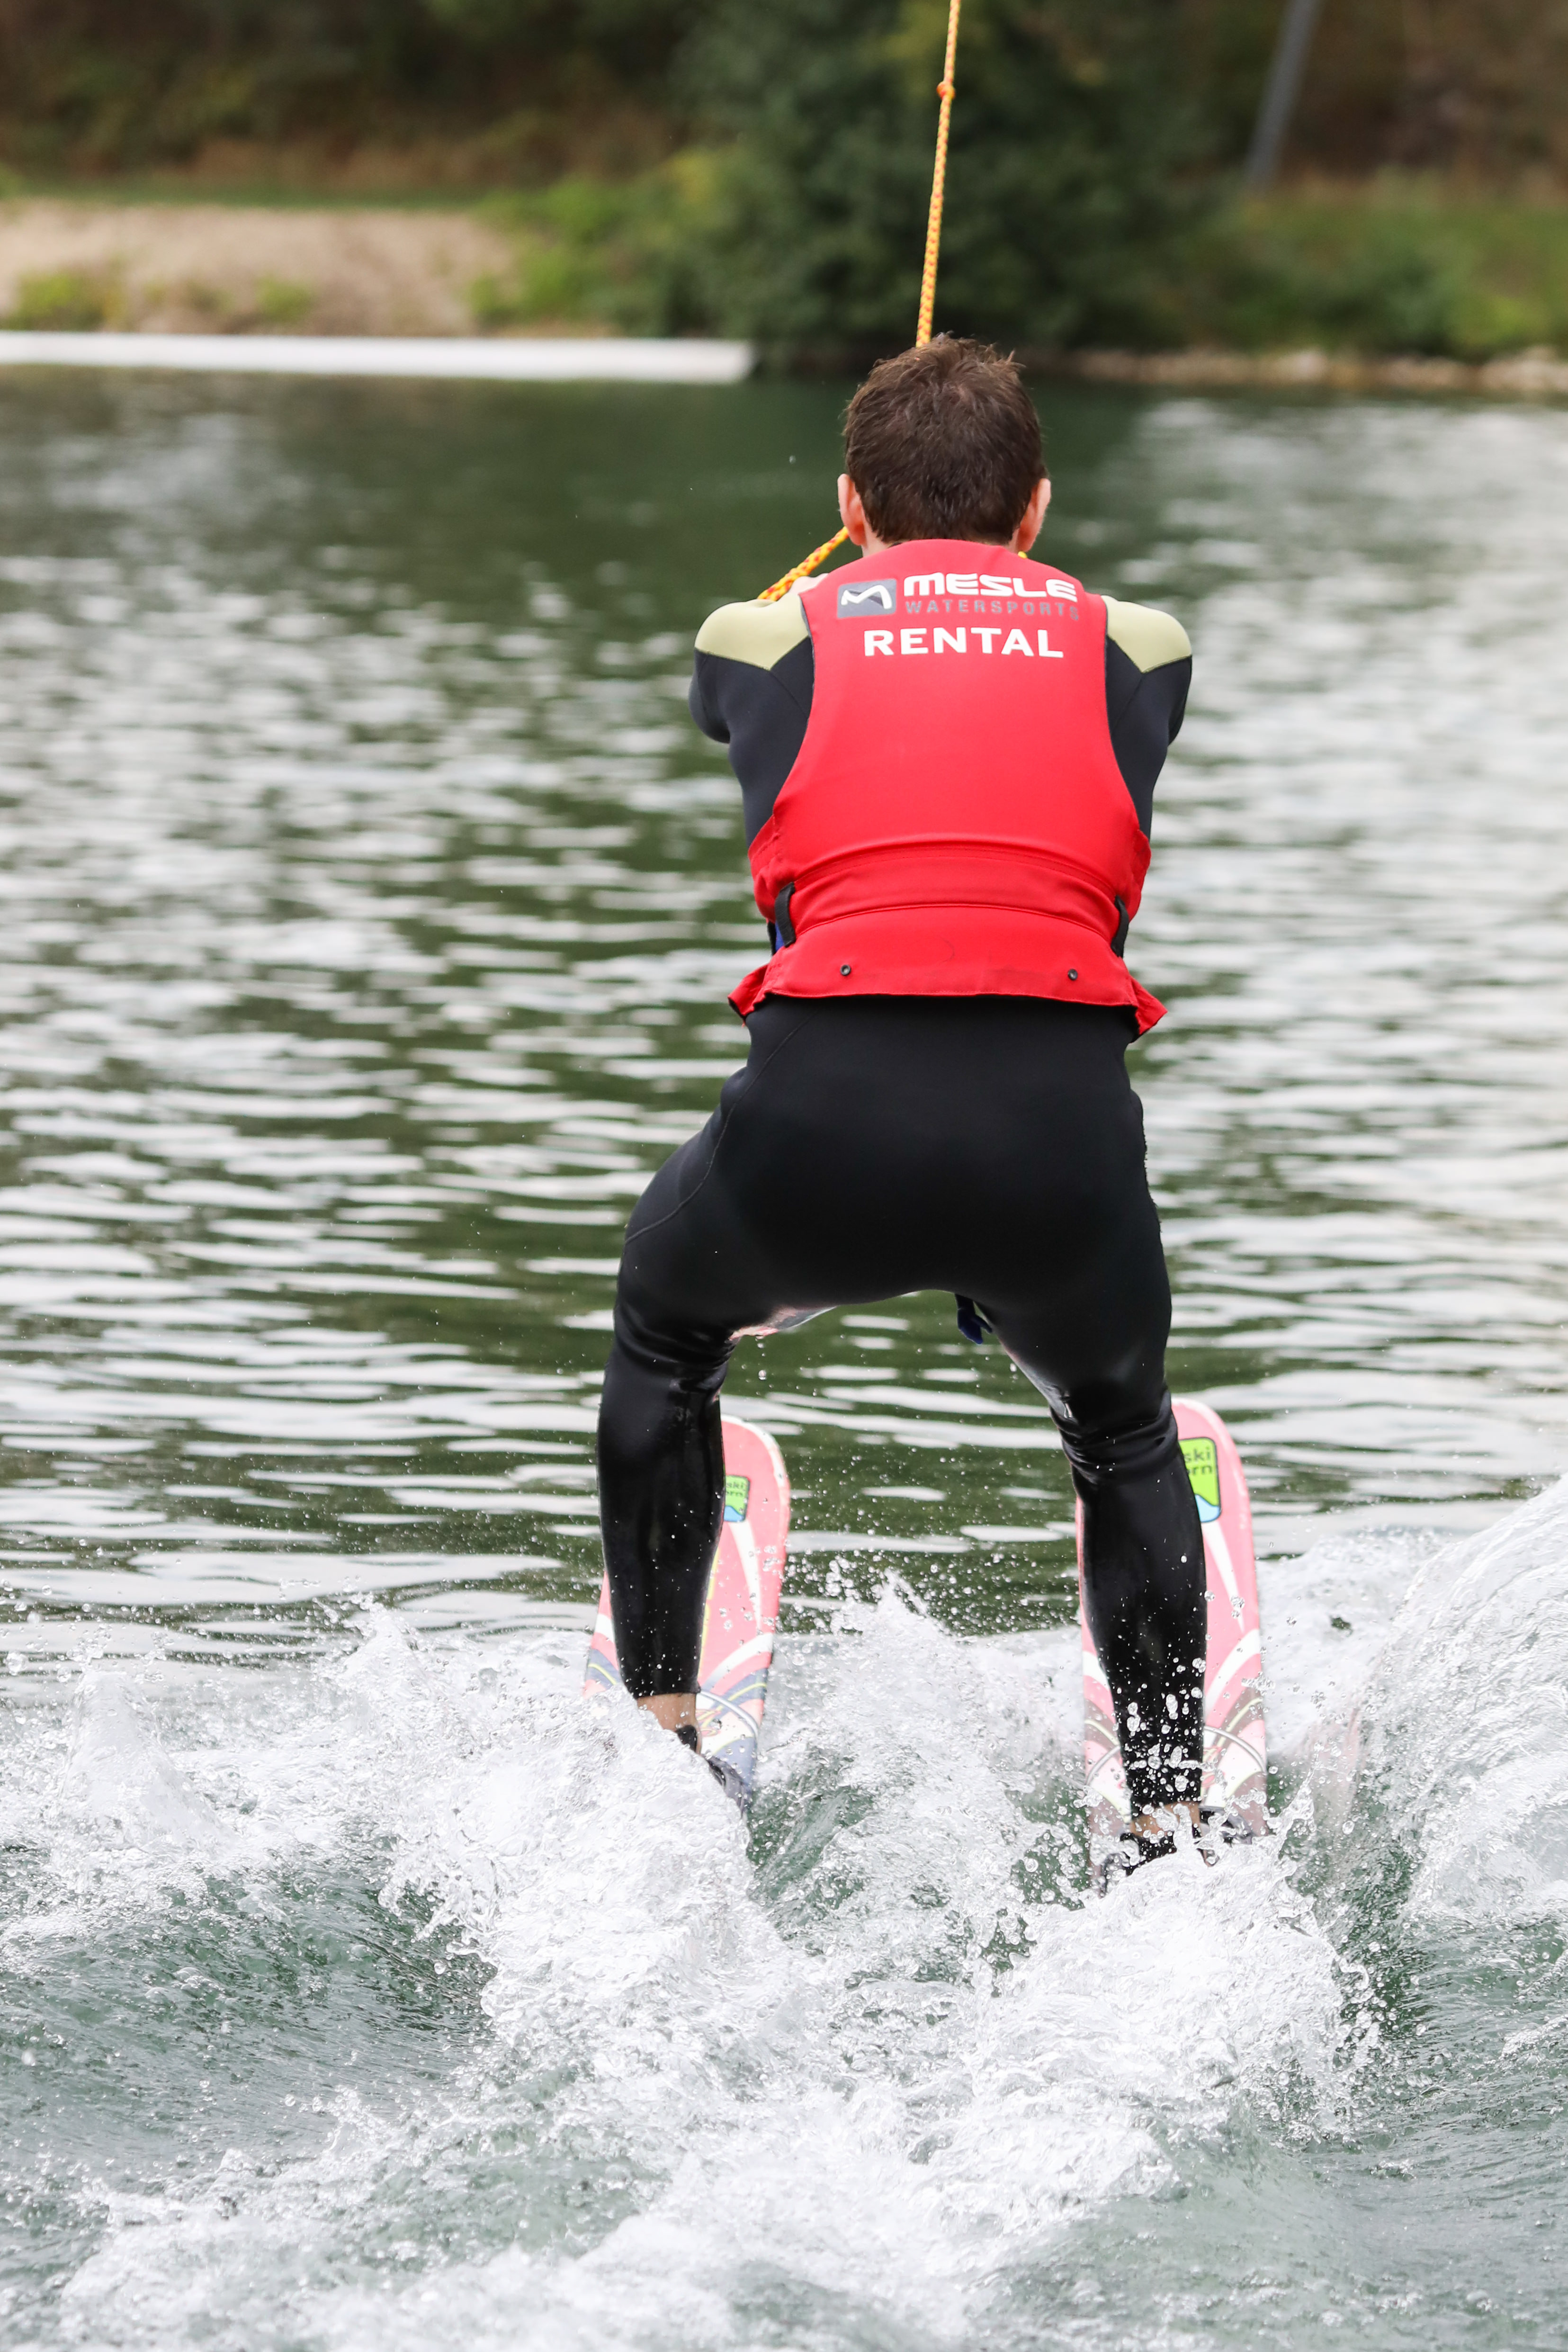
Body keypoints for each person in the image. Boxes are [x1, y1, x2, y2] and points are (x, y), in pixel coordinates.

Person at [596, 335, 1205, 1867]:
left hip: (820, 1144)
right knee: (1122, 1428)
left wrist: (848, 576)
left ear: (850, 504)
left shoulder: (765, 635)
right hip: (1055, 1154)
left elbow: (721, 676)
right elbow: (1079, 656)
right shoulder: (1143, 645)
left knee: (666, 1330)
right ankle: (1167, 1811)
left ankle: (664, 1726)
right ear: (1039, 505)